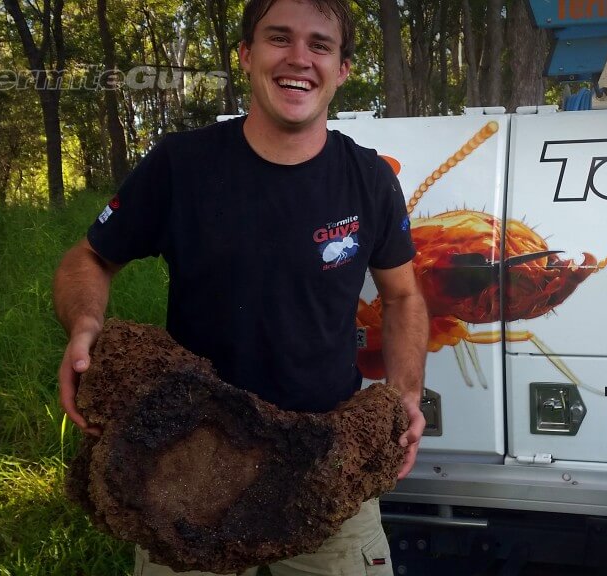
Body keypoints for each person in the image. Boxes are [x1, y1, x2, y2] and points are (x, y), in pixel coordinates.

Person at [53, 0, 428, 574]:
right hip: (185, 465)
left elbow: (401, 296)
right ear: (247, 55)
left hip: (326, 465)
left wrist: (405, 392)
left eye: (320, 45)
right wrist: (85, 326)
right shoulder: (183, 166)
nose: (298, 58)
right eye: (279, 38)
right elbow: (90, 258)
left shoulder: (370, 179)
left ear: (343, 68)